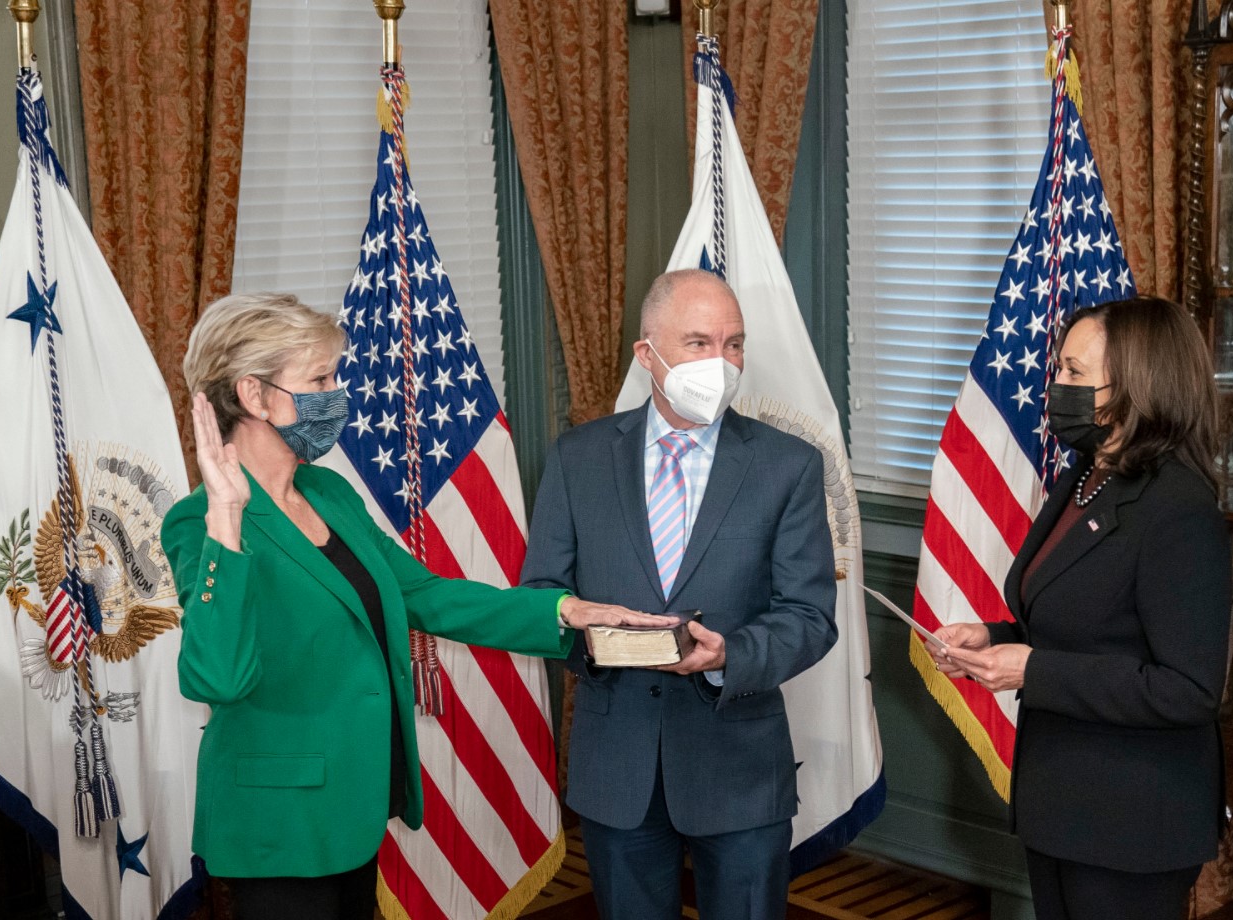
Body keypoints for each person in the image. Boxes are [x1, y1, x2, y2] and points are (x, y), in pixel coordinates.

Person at [162, 292, 675, 920]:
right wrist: (226, 519)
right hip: (280, 823)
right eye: (319, 380)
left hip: (355, 798)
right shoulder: (198, 523)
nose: (337, 395)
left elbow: (423, 593)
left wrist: (565, 611)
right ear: (254, 395)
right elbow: (216, 676)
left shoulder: (328, 493)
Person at [521, 269, 837, 920]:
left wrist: (729, 656)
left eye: (733, 344)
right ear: (648, 354)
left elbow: (810, 616)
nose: (721, 363)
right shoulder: (578, 458)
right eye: (698, 343)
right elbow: (542, 593)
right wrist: (596, 646)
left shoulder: (789, 465)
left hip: (739, 768)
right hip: (618, 767)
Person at [930, 295, 1230, 920]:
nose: (1055, 386)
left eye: (1074, 371)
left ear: (1138, 387)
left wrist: (1032, 670)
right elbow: (1079, 623)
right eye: (1059, 368)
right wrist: (993, 637)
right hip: (1061, 806)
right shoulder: (1087, 477)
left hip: (1131, 826)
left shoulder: (1178, 508)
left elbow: (1189, 689)